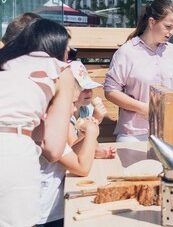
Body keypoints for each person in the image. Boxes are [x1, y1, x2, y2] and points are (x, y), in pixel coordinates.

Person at [0, 18, 75, 226]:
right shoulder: (60, 71)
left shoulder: (4, 61)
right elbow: (53, 150)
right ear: (59, 48)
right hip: (12, 155)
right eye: (70, 51)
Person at [104, 0, 173, 142]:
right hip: (133, 134)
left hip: (165, 132)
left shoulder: (172, 51)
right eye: (168, 27)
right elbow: (110, 91)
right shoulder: (127, 52)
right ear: (151, 22)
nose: (172, 32)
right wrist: (144, 108)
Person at [37, 64, 101, 226]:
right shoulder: (45, 132)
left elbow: (72, 153)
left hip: (54, 208)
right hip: (43, 214)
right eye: (71, 104)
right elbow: (81, 167)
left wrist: (86, 136)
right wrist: (92, 131)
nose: (73, 109)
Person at [68, 61, 116, 159]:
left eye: (90, 87)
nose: (89, 91)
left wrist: (97, 151)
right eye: (84, 88)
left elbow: (93, 143)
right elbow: (71, 150)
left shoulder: (86, 109)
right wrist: (95, 120)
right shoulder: (66, 116)